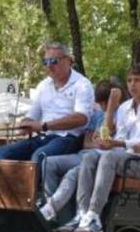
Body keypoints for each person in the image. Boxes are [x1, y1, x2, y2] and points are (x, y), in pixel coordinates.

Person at [52, 63, 140, 232]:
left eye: (138, 80)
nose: (132, 85)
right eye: (129, 80)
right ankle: (82, 214)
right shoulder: (124, 107)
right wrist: (109, 143)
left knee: (109, 158)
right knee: (90, 156)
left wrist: (117, 143)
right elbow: (120, 138)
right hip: (125, 158)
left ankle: (94, 215)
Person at [0, 42, 94, 164]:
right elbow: (32, 116)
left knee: (39, 157)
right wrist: (26, 124)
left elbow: (81, 118)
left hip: (68, 138)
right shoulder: (43, 85)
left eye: (54, 61)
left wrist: (44, 126)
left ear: (67, 61)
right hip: (43, 137)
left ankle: (35, 184)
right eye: (45, 62)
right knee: (3, 153)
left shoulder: (82, 84)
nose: (49, 66)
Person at [39, 80, 118, 215]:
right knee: (47, 162)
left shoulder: (120, 115)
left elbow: (108, 140)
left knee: (74, 173)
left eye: (105, 103)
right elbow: (86, 143)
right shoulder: (97, 115)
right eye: (100, 103)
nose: (102, 106)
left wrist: (102, 141)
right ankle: (51, 211)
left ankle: (51, 210)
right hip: (83, 154)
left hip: (98, 160)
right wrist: (97, 143)